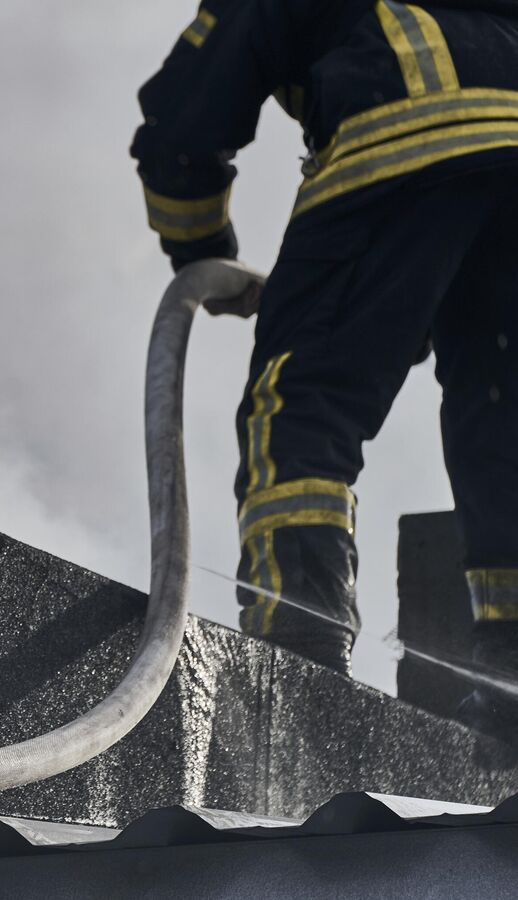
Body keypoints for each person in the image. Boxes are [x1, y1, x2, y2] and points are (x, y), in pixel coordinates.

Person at [130, 1, 518, 688]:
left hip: (404, 138)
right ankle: (508, 680)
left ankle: (301, 663)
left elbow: (183, 128)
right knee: (502, 411)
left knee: (301, 407)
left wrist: (202, 249)